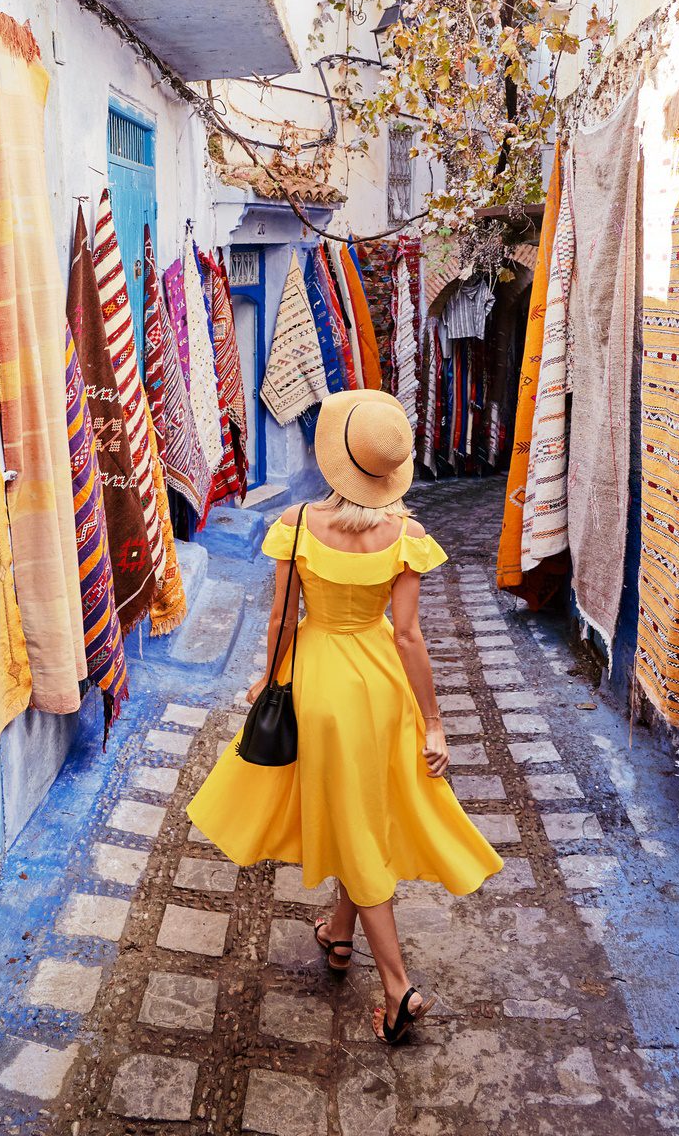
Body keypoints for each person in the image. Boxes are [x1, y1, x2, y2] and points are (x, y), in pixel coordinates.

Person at [187, 388, 502, 1045]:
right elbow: (410, 637)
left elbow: (280, 619)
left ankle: (397, 987)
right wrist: (434, 722)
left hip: (319, 685)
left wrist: (268, 681)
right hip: (381, 689)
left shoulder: (298, 526)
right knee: (363, 814)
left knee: (357, 827)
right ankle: (337, 936)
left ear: (336, 464)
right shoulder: (407, 535)